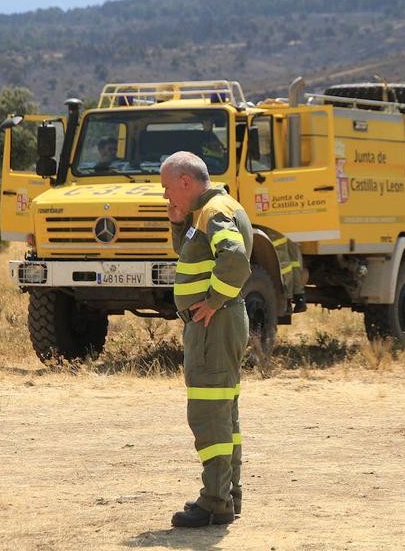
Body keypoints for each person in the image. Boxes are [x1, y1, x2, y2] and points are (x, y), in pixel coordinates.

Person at [160, 151, 253, 528]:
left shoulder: (215, 211)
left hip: (214, 326)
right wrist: (179, 223)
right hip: (218, 323)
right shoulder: (208, 210)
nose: (166, 197)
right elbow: (193, 253)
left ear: (186, 181)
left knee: (208, 412)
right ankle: (228, 496)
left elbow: (234, 259)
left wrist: (213, 301)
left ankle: (214, 502)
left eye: (168, 189)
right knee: (223, 413)